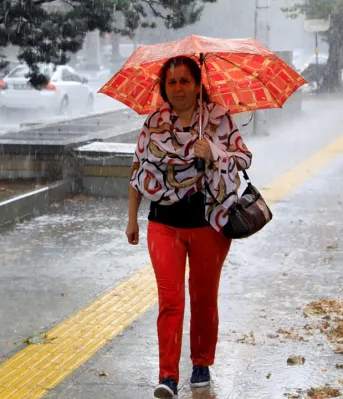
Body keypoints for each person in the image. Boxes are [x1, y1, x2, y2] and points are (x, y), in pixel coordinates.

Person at [126, 56, 252, 398]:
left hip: (209, 223)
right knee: (170, 299)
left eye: (184, 81)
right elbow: (138, 170)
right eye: (171, 82)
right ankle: (167, 375)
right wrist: (131, 218)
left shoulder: (218, 118)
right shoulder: (154, 123)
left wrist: (213, 151)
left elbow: (244, 158)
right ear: (163, 88)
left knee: (203, 297)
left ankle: (201, 364)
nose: (178, 88)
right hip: (163, 223)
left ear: (198, 85)